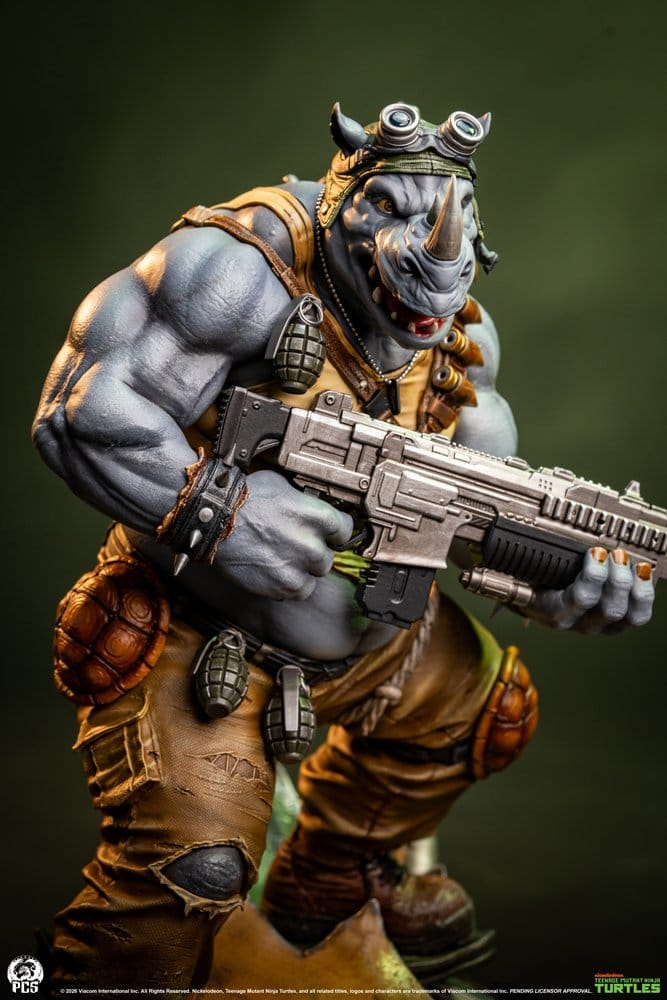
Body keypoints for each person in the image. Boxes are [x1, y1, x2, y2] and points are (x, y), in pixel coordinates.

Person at [33, 101, 655, 996]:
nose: (432, 274)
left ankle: (322, 886)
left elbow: (476, 515)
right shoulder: (233, 271)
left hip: (371, 634)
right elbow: (79, 411)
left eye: (455, 232)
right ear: (343, 205)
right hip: (200, 632)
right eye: (396, 214)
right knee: (195, 867)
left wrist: (560, 582)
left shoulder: (457, 341)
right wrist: (222, 512)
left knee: (485, 711)